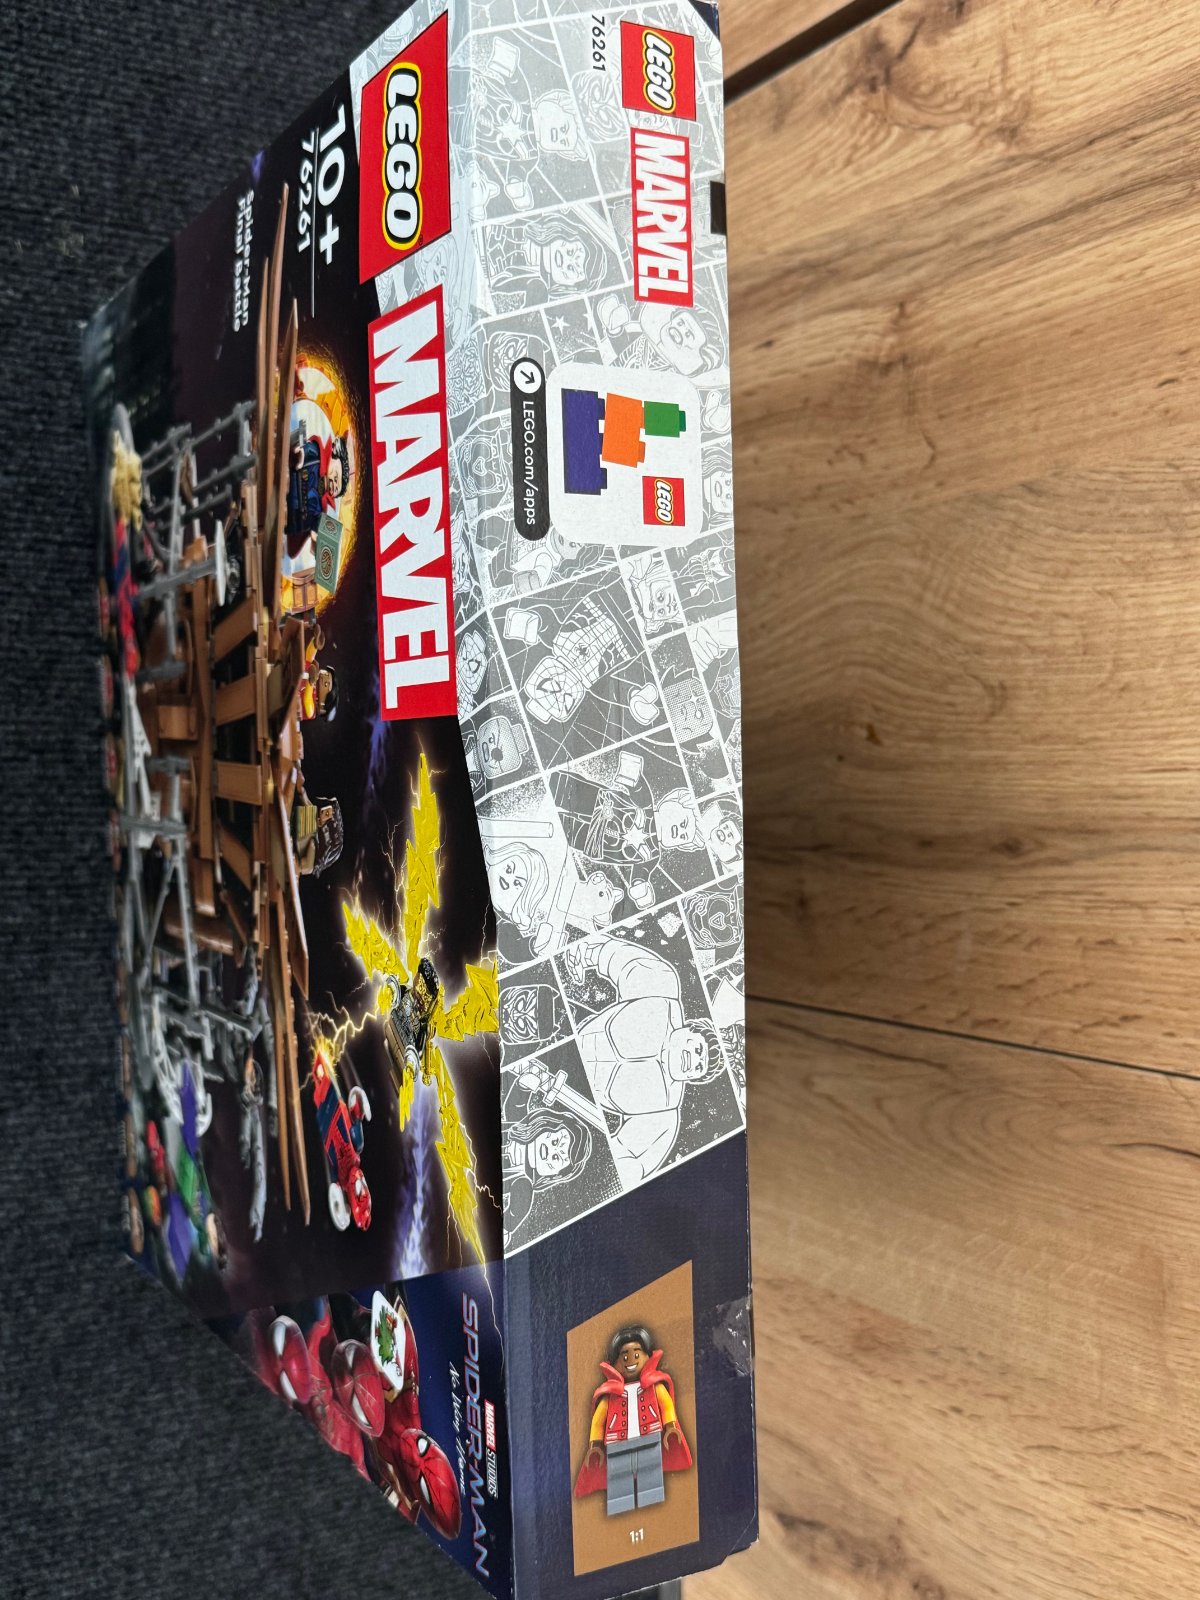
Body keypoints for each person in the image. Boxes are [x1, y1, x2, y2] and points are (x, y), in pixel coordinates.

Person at [574, 1325, 692, 1515]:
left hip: (650, 1437)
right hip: (617, 1444)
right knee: (619, 1480)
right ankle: (621, 1509)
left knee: (651, 1473)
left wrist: (670, 1426)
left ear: (647, 1356)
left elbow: (667, 1406)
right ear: (614, 1362)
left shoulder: (654, 1387)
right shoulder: (610, 1395)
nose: (630, 1360)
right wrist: (595, 1445)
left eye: (636, 1354)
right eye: (624, 1356)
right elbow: (597, 1421)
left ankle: (653, 1509)